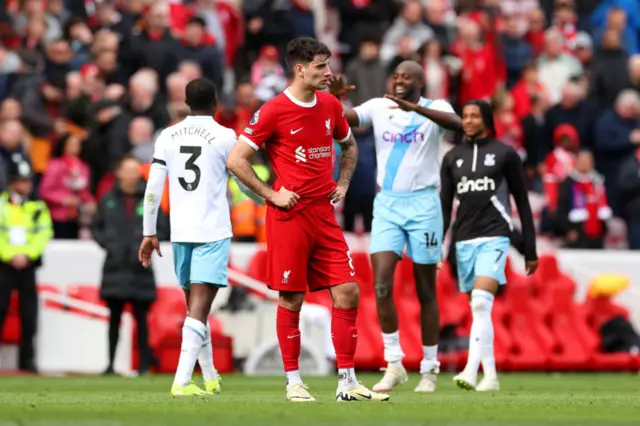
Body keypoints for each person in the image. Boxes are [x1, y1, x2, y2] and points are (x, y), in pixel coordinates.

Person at [227, 37, 390, 403]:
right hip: (289, 216)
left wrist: (344, 183)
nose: (328, 73)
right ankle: (293, 382)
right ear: (300, 69)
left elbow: (349, 147)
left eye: (328, 65)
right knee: (292, 298)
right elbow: (236, 159)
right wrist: (271, 194)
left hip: (324, 214)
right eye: (320, 66)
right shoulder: (272, 111)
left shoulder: (331, 105)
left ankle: (347, 382)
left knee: (348, 292)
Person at [327, 60, 461, 393]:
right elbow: (339, 123)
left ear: (419, 81)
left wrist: (415, 109)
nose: (400, 81)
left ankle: (429, 368)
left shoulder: (436, 108)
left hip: (424, 205)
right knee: (382, 285)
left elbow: (458, 125)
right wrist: (333, 100)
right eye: (396, 76)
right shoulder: (378, 106)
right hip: (387, 204)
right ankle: (394, 363)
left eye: (407, 77)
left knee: (425, 290)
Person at [139, 78, 261, 396]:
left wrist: (149, 232)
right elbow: (244, 180)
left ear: (185, 102)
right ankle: (181, 382)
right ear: (216, 102)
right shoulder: (225, 136)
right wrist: (269, 197)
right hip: (212, 231)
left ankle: (208, 376)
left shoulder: (167, 135)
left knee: (195, 308)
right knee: (200, 308)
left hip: (180, 232)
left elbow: (153, 188)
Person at [440, 100, 539, 392]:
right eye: (465, 116)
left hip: (495, 236)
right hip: (464, 240)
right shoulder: (451, 158)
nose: (468, 121)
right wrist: (439, 246)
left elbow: (522, 202)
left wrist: (529, 249)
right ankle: (491, 376)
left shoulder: (505, 154)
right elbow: (445, 207)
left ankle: (471, 370)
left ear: (486, 120)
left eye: (474, 116)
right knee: (478, 310)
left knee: (482, 302)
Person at [92, 154, 168, 376]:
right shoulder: (107, 199)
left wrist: (145, 244)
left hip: (140, 267)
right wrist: (110, 244)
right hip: (115, 266)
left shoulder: (150, 198)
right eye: (127, 169)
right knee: (113, 319)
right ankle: (110, 365)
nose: (131, 174)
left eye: (135, 170)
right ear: (118, 172)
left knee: (142, 319)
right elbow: (96, 227)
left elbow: (163, 227)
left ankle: (144, 365)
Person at [0, 158, 53, 372]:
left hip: (28, 265)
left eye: (27, 181)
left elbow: (44, 233)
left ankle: (27, 361)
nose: (25, 185)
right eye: (20, 181)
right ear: (12, 182)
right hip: (4, 265)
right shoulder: (2, 204)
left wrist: (27, 255)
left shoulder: (38, 207)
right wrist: (10, 254)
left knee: (29, 314)